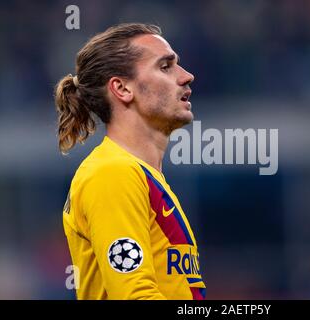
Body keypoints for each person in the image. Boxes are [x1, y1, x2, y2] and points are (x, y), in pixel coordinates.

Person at [54, 23, 205, 300]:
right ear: (122, 88)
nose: (187, 76)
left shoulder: (140, 175)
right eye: (165, 66)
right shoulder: (113, 174)